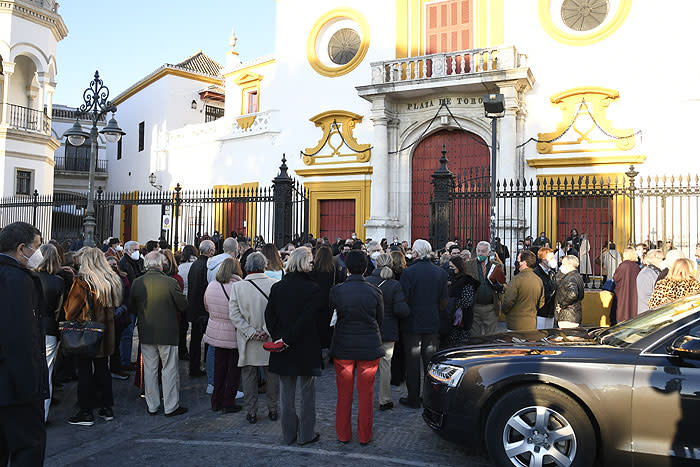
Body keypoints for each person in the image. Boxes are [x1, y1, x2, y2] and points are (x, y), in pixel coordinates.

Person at [265, 247, 326, 445]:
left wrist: (279, 338)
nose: (312, 265)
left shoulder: (278, 287)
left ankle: (288, 433)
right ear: (303, 263)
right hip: (305, 345)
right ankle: (306, 434)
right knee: (307, 392)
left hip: (283, 345)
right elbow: (309, 320)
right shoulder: (313, 289)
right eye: (310, 262)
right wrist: (288, 338)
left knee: (286, 392)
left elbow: (269, 316)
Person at [0, 222, 47, 465]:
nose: (39, 252)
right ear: (21, 249)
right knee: (27, 448)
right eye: (37, 247)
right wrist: (32, 386)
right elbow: (21, 337)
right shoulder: (18, 280)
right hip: (16, 388)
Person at [329, 250, 384, 445]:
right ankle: (364, 435)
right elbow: (380, 319)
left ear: (347, 268)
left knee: (344, 394)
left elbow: (332, 318)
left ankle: (343, 434)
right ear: (366, 268)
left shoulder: (337, 290)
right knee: (366, 394)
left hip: (344, 346)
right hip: (368, 346)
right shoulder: (374, 291)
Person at [64, 247, 122, 426]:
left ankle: (86, 411)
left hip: (87, 332)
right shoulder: (111, 279)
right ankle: (106, 407)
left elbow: (70, 311)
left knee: (85, 372)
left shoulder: (82, 281)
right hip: (106, 332)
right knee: (103, 369)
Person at [129, 251, 188, 417]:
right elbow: (182, 305)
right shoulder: (170, 282)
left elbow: (132, 307)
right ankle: (171, 406)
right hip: (168, 332)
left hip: (146, 331)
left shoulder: (137, 282)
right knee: (169, 369)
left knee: (150, 369)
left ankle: (152, 405)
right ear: (161, 265)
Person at [229, 252, 280, 424]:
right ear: (264, 265)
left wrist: (250, 331)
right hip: (269, 338)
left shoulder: (238, 287)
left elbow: (234, 314)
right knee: (272, 375)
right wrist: (266, 330)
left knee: (249, 376)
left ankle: (251, 411)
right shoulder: (274, 285)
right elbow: (278, 313)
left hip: (247, 339)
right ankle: (273, 409)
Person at [399, 239, 448, 408]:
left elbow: (403, 298)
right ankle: (431, 397)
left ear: (416, 253)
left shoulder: (409, 272)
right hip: (432, 321)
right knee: (430, 362)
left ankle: (413, 397)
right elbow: (444, 301)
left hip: (412, 322)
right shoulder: (440, 272)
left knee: (412, 363)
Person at [365, 253, 409, 411]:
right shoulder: (394, 285)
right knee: (385, 365)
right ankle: (384, 399)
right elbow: (401, 310)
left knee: (368, 366)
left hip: (370, 329)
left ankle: (365, 396)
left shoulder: (367, 281)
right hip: (389, 330)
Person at [203, 258, 243, 413]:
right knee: (233, 369)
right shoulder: (238, 286)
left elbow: (206, 305)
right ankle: (228, 402)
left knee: (219, 368)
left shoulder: (212, 285)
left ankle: (216, 401)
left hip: (215, 330)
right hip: (233, 332)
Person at [35, 244, 66, 421]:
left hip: (30, 327)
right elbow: (59, 311)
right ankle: (43, 416)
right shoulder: (58, 281)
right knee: (46, 371)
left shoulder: (30, 277)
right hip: (49, 329)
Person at [187, 240, 215, 377]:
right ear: (210, 251)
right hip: (203, 309)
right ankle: (203, 366)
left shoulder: (195, 264)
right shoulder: (207, 266)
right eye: (213, 249)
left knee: (195, 340)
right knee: (207, 340)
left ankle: (194, 366)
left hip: (194, 307)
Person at [501, 249, 544, 332]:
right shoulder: (538, 280)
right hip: (531, 322)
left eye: (518, 260)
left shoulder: (516, 279)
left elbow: (508, 301)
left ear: (523, 262)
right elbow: (541, 303)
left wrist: (504, 311)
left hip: (515, 323)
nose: (517, 262)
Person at [465, 241, 501, 336]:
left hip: (490, 307)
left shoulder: (496, 265)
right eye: (479, 251)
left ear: (489, 253)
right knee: (475, 336)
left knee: (491, 336)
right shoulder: (468, 265)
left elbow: (503, 283)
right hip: (474, 306)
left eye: (483, 251)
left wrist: (500, 286)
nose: (480, 253)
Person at [119, 240, 144, 368]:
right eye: (135, 250)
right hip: (129, 303)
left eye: (138, 249)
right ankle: (125, 361)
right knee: (127, 334)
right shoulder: (123, 263)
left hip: (137, 302)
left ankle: (130, 360)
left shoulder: (138, 261)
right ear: (127, 250)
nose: (137, 252)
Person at [105, 256, 131, 381]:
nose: (113, 266)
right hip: (107, 316)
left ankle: (116, 367)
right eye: (110, 264)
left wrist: (123, 308)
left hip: (119, 317)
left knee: (117, 343)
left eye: (114, 264)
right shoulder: (103, 278)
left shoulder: (123, 277)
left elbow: (128, 295)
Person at [444, 256, 479, 347]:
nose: (450, 269)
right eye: (449, 267)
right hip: (450, 319)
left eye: (452, 267)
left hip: (461, 320)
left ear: (459, 267)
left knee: (459, 345)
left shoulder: (467, 281)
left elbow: (467, 301)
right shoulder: (450, 279)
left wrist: (452, 304)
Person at [310, 245, 336, 349]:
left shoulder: (313, 268)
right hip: (328, 300)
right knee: (327, 326)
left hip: (315, 299)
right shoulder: (332, 268)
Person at [177, 244, 197, 359]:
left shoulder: (180, 267)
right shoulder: (195, 266)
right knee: (194, 327)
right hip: (193, 299)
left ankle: (182, 350)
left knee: (182, 327)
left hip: (182, 299)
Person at [553, 255, 585, 328]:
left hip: (567, 316)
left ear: (569, 264)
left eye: (564, 264)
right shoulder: (577, 276)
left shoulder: (570, 278)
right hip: (573, 314)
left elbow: (573, 294)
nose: (562, 266)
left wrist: (561, 305)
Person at [612, 248, 640, 323]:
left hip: (622, 293)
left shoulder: (623, 265)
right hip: (633, 293)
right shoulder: (636, 266)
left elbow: (615, 277)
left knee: (622, 312)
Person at [533, 247, 557, 329]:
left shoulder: (552, 273)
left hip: (550, 311)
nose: (553, 260)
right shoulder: (536, 273)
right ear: (543, 260)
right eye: (551, 258)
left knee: (549, 335)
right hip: (540, 312)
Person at [636, 249, 664, 314]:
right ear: (652, 259)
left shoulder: (656, 271)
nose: (663, 261)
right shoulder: (646, 273)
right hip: (647, 312)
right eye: (661, 259)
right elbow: (645, 296)